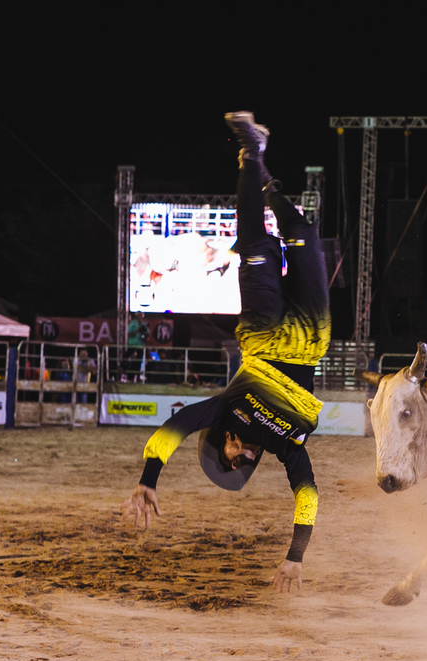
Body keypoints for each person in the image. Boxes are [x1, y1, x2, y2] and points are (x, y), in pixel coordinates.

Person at [120, 112, 331, 594]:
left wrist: (149, 479)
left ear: (222, 439)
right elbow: (308, 493)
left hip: (263, 332)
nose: (239, 460)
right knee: (302, 233)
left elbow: (174, 428)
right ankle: (270, 187)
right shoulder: (286, 445)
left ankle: (251, 152)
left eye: (229, 457)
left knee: (256, 240)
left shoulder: (225, 410)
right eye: (239, 466)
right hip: (311, 336)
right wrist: (296, 557)